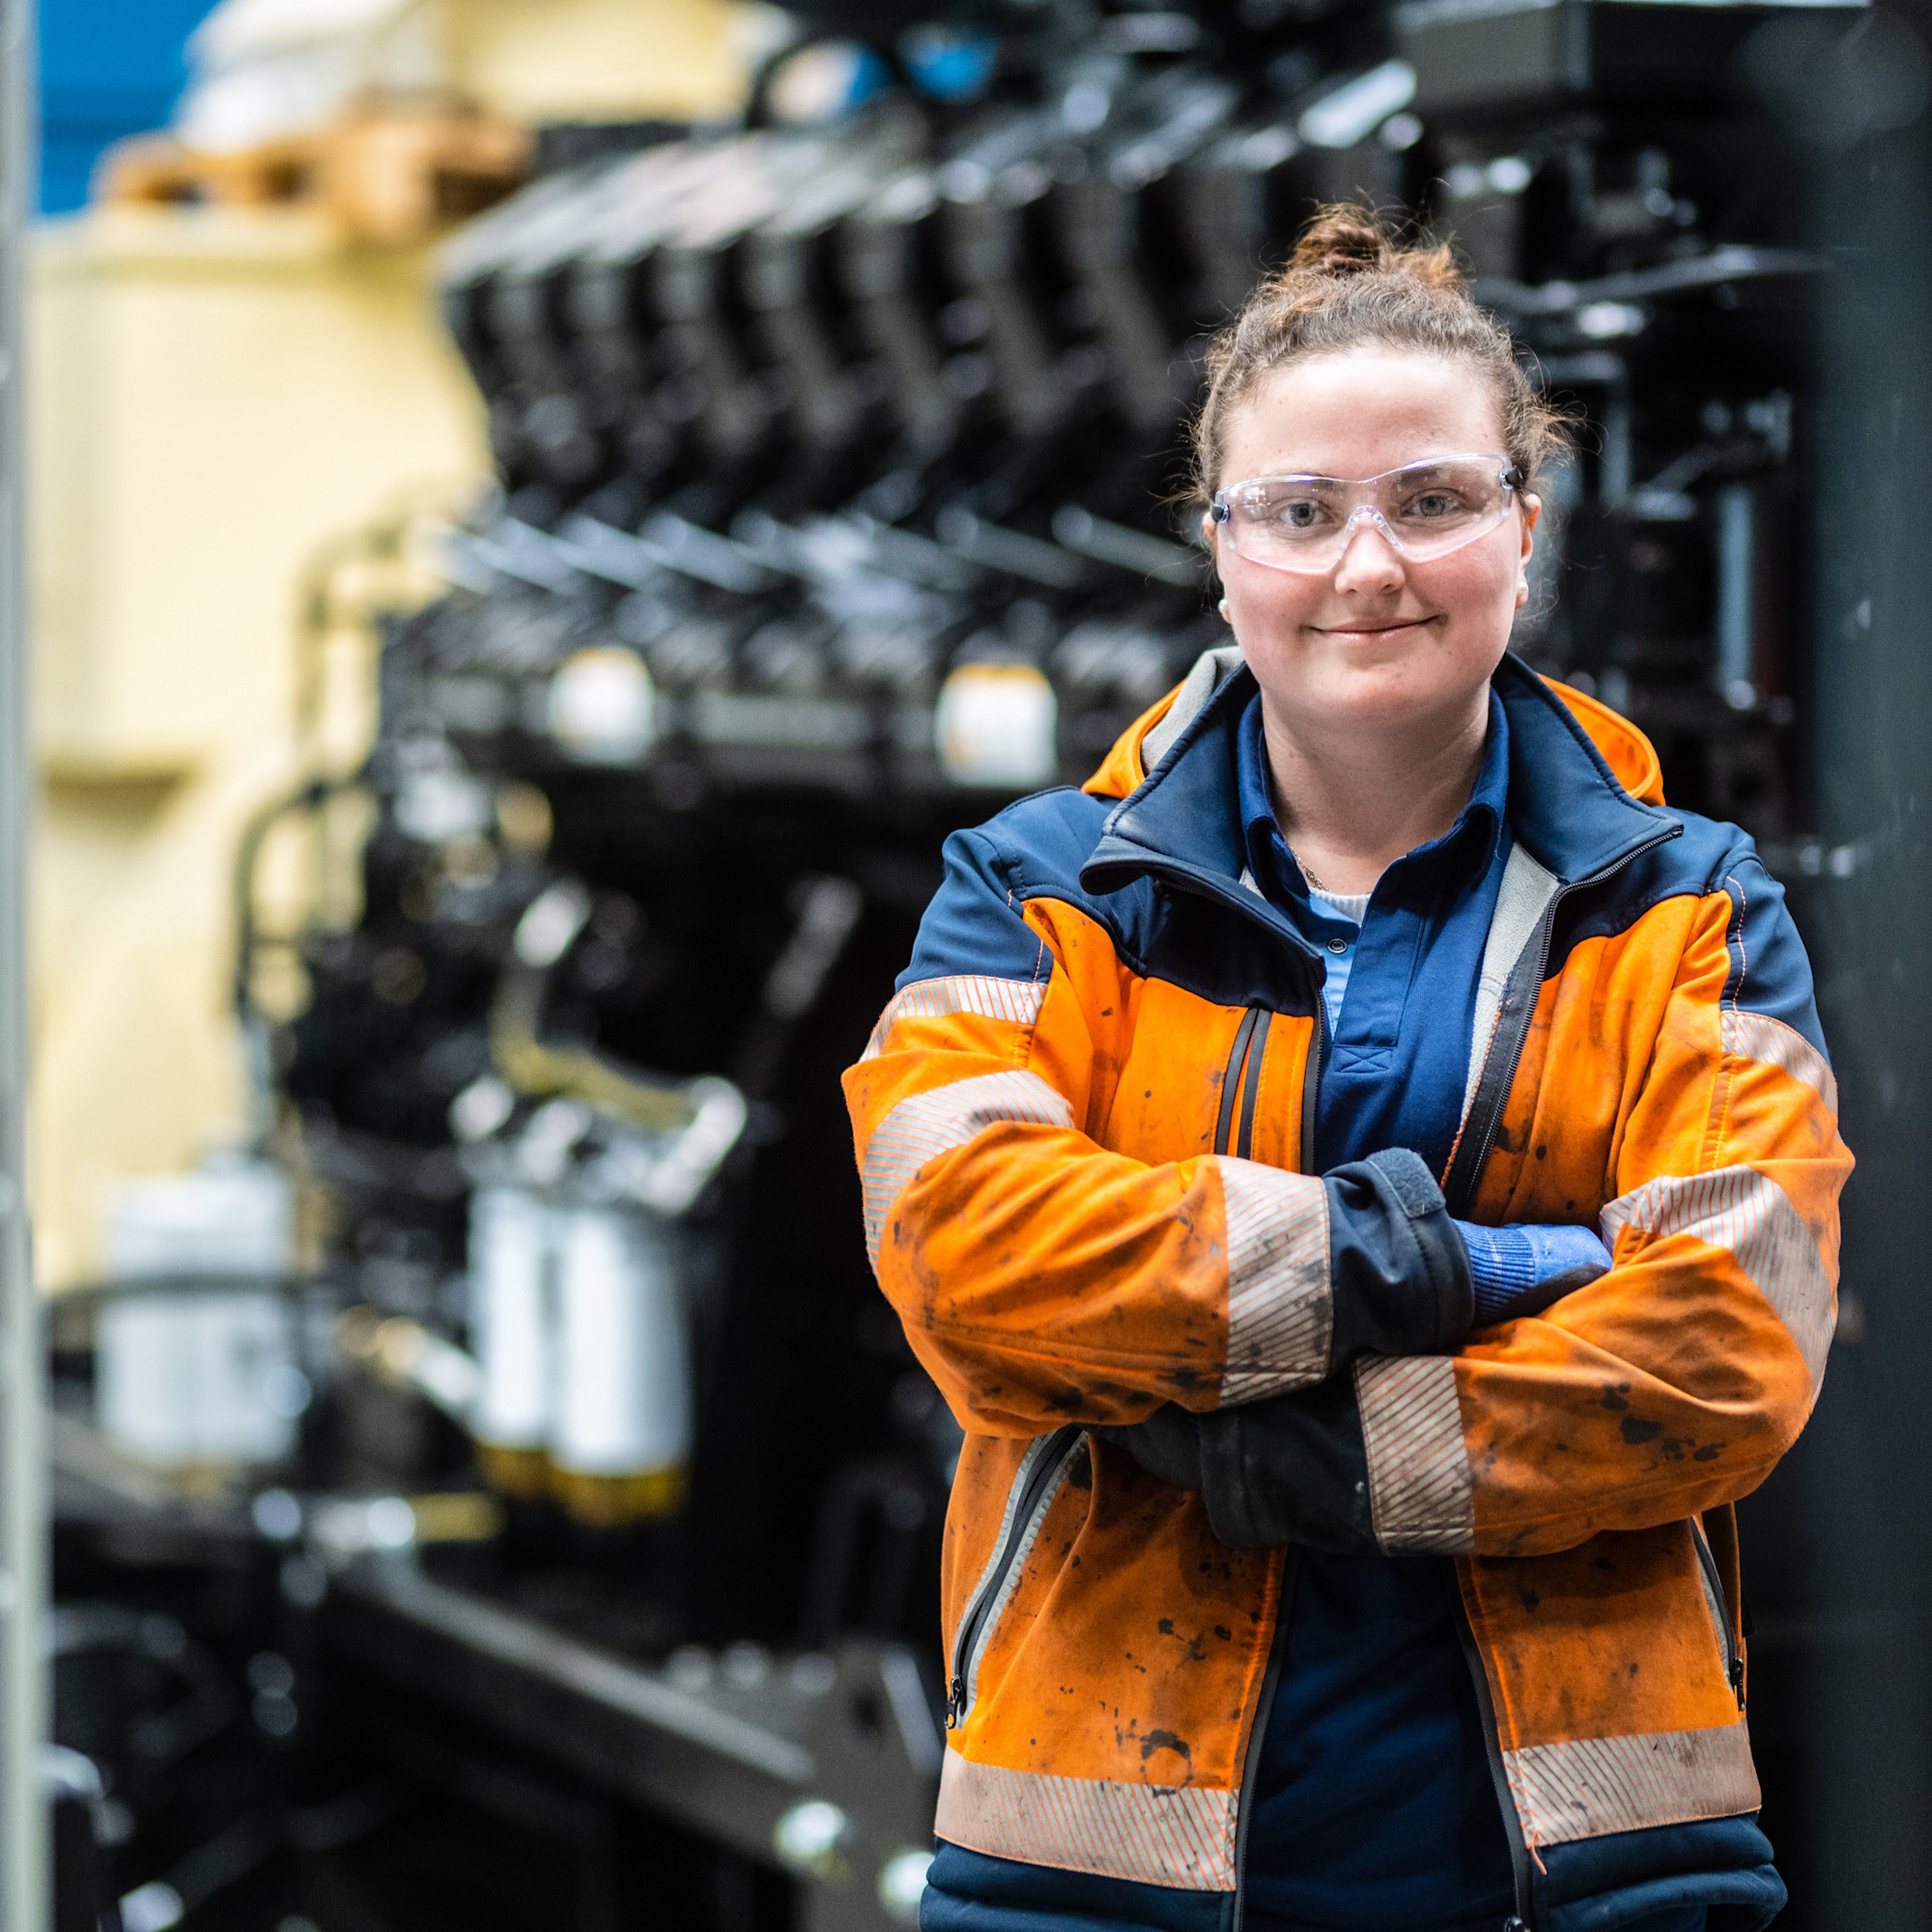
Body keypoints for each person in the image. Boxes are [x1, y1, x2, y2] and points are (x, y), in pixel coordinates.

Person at [842, 207, 1851, 1932]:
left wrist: (1275, 1452)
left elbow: (1727, 1342)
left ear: (1526, 531)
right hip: (1098, 1868)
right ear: (1221, 550)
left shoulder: (1686, 903)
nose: (1367, 566)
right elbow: (968, 1251)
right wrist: (1454, 1267)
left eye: (1435, 501)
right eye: (1301, 514)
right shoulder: (1038, 892)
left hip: (1584, 1868)